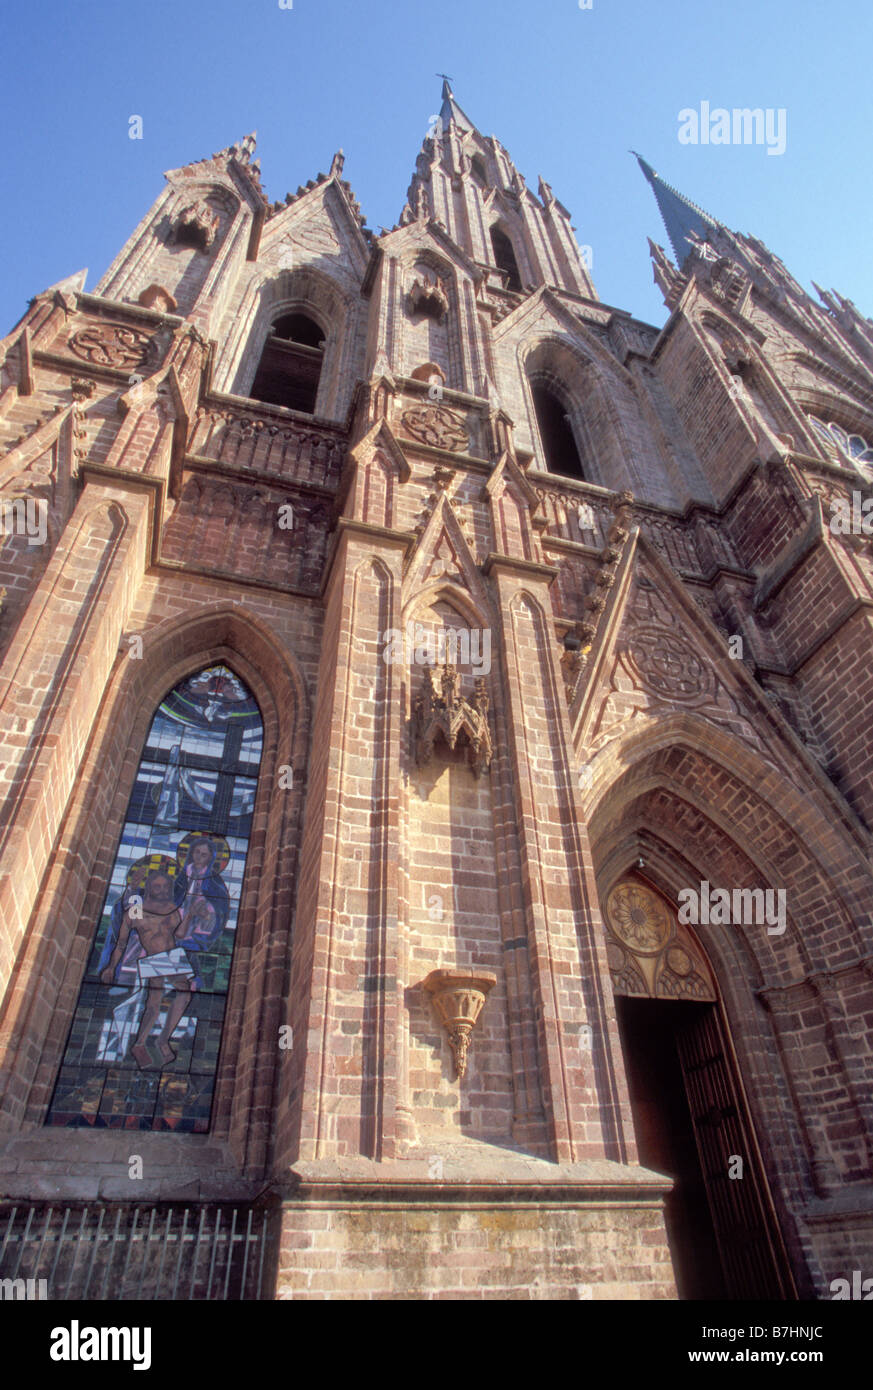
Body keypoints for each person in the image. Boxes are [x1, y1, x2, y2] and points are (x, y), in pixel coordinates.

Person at [100, 870, 194, 1068]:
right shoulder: (135, 912)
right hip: (155, 958)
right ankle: (150, 1043)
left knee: (166, 1000)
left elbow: (180, 935)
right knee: (165, 999)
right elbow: (121, 944)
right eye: (157, 886)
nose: (162, 890)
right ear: (149, 888)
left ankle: (147, 1042)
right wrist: (111, 967)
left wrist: (190, 914)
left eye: (166, 887)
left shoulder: (171, 908)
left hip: (171, 956)